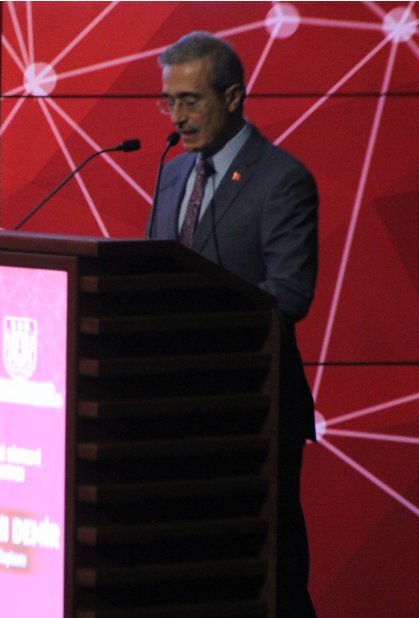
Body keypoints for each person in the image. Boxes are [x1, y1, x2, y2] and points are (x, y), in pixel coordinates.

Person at [146, 31, 319, 617]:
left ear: (234, 97)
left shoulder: (281, 179)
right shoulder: (172, 176)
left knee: (269, 573)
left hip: (252, 407)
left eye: (191, 101)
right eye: (170, 101)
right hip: (176, 411)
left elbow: (290, 293)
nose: (178, 117)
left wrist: (201, 319)